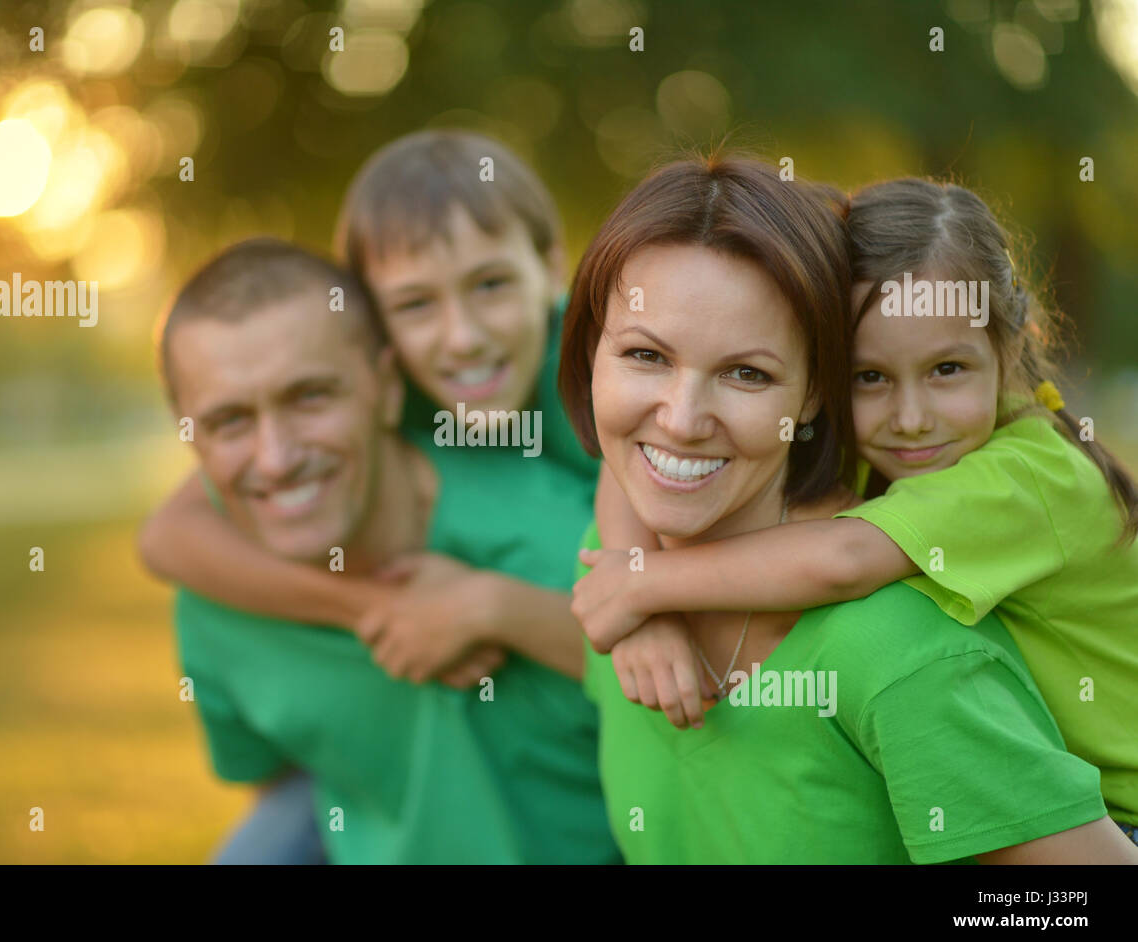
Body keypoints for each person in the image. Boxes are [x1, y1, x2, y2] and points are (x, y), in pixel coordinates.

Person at [560, 153, 1137, 863]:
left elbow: (842, 558)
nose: (912, 415)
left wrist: (642, 583)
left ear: (809, 391)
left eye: (747, 372)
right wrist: (632, 584)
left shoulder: (996, 512)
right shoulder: (886, 447)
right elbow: (626, 466)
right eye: (646, 356)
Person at [140, 130, 603, 860]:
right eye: (416, 303)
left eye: (490, 284)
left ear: (549, 272)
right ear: (380, 330)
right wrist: (374, 608)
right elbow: (166, 536)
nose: (461, 336)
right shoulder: (403, 396)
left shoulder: (604, 390)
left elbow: (698, 655)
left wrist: (489, 604)